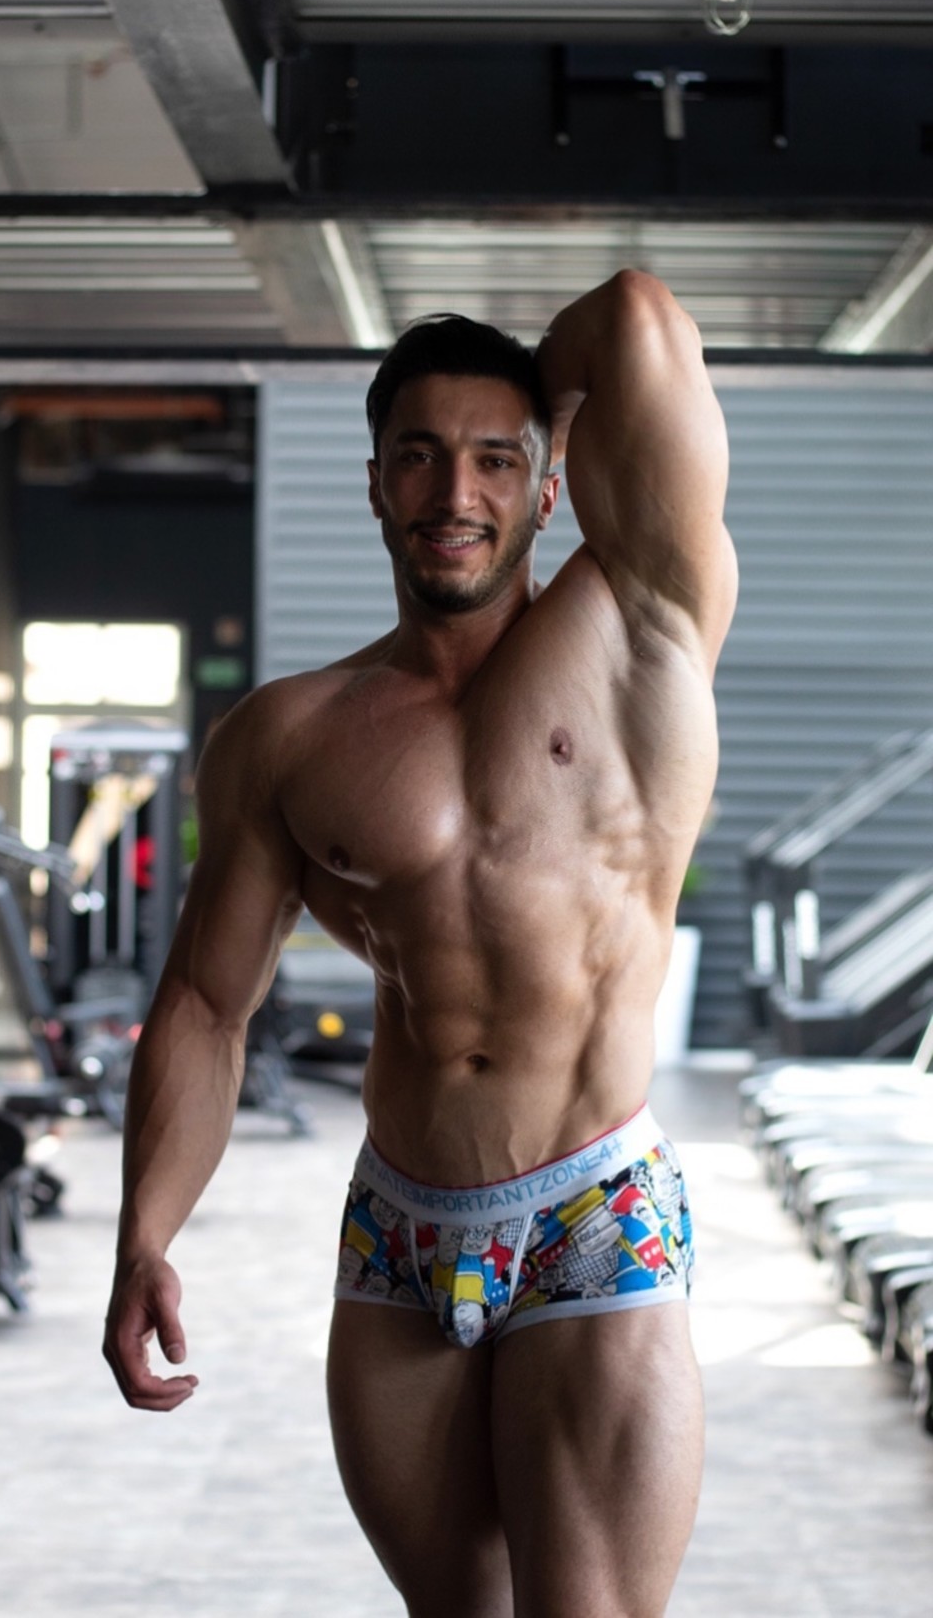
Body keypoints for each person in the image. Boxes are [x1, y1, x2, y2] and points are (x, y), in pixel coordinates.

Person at [103, 268, 738, 1618]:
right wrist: (144, 1233)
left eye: (496, 460)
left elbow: (637, 315)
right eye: (421, 456)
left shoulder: (643, 626)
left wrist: (540, 397)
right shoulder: (289, 735)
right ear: (376, 485)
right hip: (398, 1231)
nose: (456, 492)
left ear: (551, 486)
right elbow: (207, 1005)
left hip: (592, 1212)